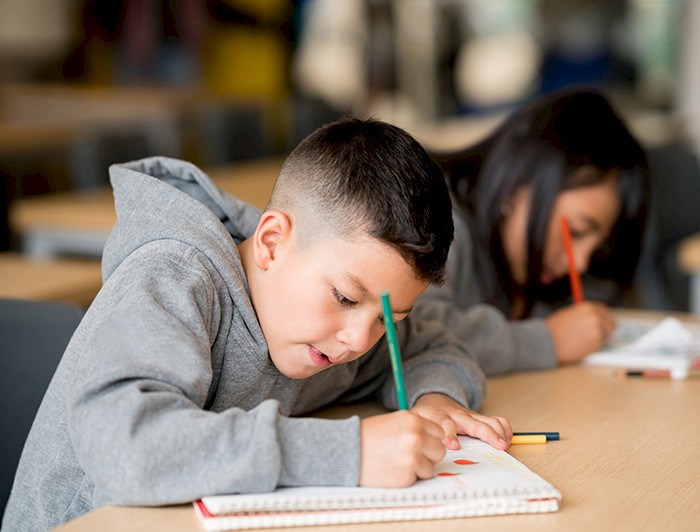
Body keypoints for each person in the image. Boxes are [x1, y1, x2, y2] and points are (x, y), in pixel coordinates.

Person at [2, 117, 512, 532]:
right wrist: (347, 453)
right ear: (270, 242)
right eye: (344, 297)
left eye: (388, 320)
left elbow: (433, 345)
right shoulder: (176, 279)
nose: (359, 340)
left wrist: (435, 398)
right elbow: (126, 448)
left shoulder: (329, 329)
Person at [413, 89, 649, 376]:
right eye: (576, 231)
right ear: (517, 186)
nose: (582, 260)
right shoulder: (430, 217)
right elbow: (412, 334)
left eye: (597, 247)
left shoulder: (526, 266)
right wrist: (548, 340)